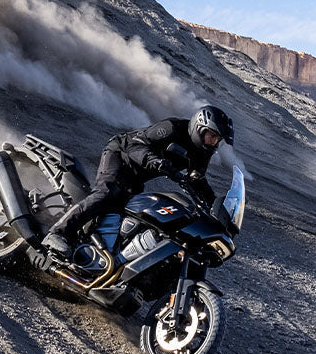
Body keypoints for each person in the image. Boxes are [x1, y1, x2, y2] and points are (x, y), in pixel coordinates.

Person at [41, 104, 234, 255]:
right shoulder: (172, 128)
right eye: (212, 136)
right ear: (200, 127)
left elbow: (196, 180)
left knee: (132, 215)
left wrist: (218, 211)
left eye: (217, 140)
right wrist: (155, 161)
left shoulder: (203, 152)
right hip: (120, 155)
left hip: (137, 175)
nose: (214, 142)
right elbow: (135, 144)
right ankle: (58, 233)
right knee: (107, 193)